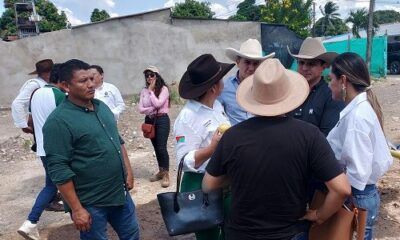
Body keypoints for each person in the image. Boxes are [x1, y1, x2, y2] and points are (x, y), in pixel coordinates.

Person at [202, 58, 351, 240]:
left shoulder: (232, 137)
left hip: (241, 233)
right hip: (290, 233)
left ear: (253, 97)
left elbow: (208, 185)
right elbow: (342, 189)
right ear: (289, 95)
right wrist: (319, 216)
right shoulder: (309, 135)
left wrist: (237, 175)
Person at [43, 59, 139, 240]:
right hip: (91, 203)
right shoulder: (59, 121)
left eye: (91, 79)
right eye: (82, 81)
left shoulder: (102, 108)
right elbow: (58, 168)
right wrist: (77, 209)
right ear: (65, 86)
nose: (90, 85)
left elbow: (117, 141)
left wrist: (129, 172)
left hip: (119, 194)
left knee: (132, 235)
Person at [327, 52, 393, 240]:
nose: (329, 84)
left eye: (330, 78)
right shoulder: (358, 110)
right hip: (362, 195)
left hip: (356, 196)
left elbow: (357, 173)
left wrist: (338, 198)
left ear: (343, 80)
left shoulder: (357, 117)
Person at [174, 54, 234, 240]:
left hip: (223, 180)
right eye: (220, 79)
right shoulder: (187, 117)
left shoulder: (216, 106)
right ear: (213, 87)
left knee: (230, 229)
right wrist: (211, 148)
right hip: (199, 182)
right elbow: (184, 161)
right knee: (208, 235)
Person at [17, 64, 66, 240]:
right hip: (58, 149)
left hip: (44, 149)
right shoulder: (59, 95)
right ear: (63, 80)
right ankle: (30, 222)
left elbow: (31, 120)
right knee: (52, 186)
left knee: (56, 183)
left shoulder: (36, 93)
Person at [287, 37, 344, 136]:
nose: (304, 68)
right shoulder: (289, 91)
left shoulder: (331, 96)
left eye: (311, 64)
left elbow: (327, 136)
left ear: (323, 66)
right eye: (301, 63)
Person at [219, 38, 275, 125]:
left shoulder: (266, 88)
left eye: (255, 63)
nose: (251, 68)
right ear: (238, 62)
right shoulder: (224, 88)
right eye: (247, 62)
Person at [138, 66, 171, 188]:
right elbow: (140, 109)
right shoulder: (143, 91)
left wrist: (151, 91)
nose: (149, 77)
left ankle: (166, 174)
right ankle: (161, 171)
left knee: (162, 147)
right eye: (147, 75)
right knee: (156, 147)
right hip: (150, 120)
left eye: (151, 75)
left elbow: (159, 103)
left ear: (157, 76)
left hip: (162, 119)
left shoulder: (164, 89)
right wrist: (152, 109)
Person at [12, 59, 54, 134]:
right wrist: (23, 125)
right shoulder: (34, 84)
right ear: (46, 74)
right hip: (39, 121)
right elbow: (17, 103)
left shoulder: (46, 83)